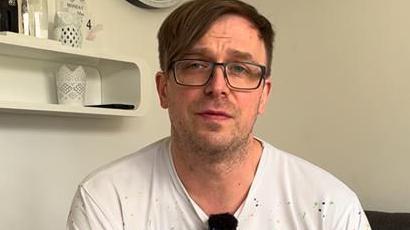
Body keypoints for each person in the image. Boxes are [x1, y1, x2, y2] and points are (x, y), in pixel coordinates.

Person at [67, 0, 371, 229]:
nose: (218, 87)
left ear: (263, 94)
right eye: (196, 64)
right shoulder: (107, 202)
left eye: (240, 69)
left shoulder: (330, 208)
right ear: (163, 90)